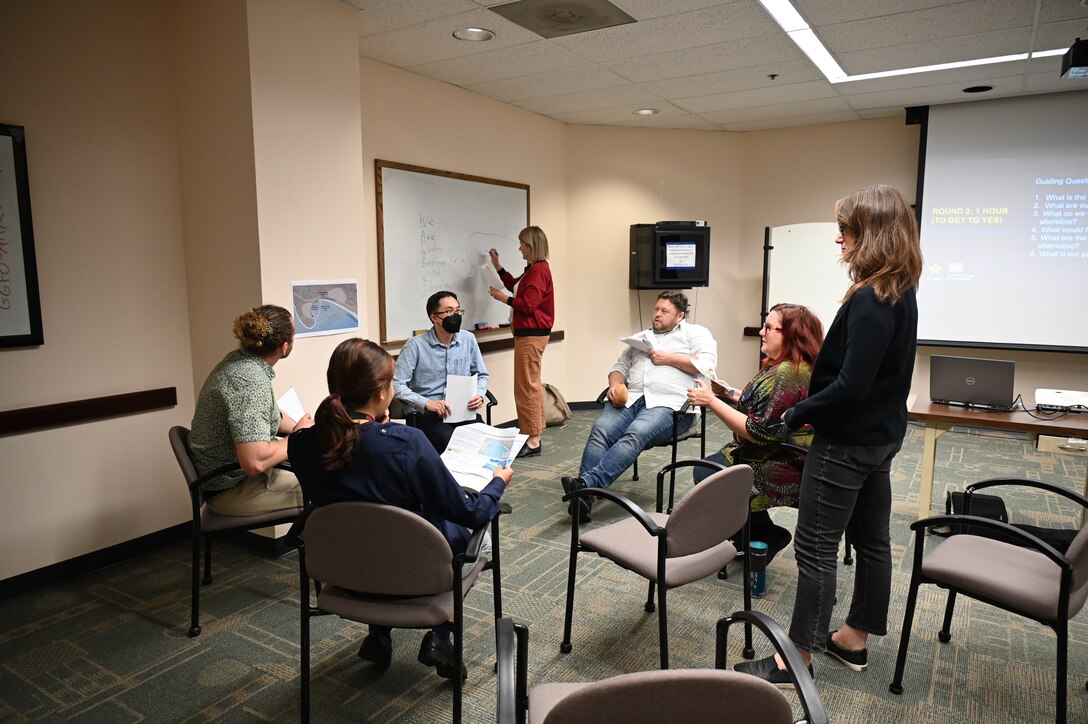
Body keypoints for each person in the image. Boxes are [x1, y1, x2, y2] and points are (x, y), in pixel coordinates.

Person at [734, 184, 922, 687]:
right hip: (880, 438)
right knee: (873, 541)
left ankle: (796, 658)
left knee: (815, 548)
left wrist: (796, 416)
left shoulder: (870, 301)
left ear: (872, 235)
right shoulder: (901, 291)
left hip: (844, 443)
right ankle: (854, 639)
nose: (838, 240)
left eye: (846, 230)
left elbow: (849, 386)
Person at [288, 338, 512, 681]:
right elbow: (470, 513)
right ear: (381, 393)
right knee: (482, 539)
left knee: (374, 534)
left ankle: (378, 634)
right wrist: (497, 483)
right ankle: (441, 635)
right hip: (415, 570)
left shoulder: (301, 444)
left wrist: (377, 426)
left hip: (344, 569)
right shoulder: (405, 443)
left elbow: (355, 480)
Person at [561, 290, 717, 521]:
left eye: (665, 311)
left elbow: (707, 366)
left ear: (680, 316)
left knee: (636, 433)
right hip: (632, 399)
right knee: (600, 430)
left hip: (672, 405)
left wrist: (668, 359)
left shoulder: (696, 334)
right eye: (656, 309)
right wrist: (615, 384)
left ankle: (586, 487)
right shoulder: (641, 338)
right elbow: (619, 367)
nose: (658, 314)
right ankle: (585, 498)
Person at [686, 303, 823, 564]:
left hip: (784, 461)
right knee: (710, 468)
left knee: (707, 473)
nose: (762, 332)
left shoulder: (786, 374)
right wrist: (731, 394)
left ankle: (765, 534)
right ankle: (753, 532)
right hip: (781, 451)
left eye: (769, 327)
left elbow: (757, 432)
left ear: (792, 334)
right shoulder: (793, 366)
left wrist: (711, 402)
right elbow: (768, 410)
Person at [188, 305, 313, 515]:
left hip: (227, 477)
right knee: (329, 482)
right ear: (284, 347)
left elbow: (265, 413)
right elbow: (255, 461)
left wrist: (299, 428)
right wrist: (299, 436)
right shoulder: (251, 382)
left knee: (318, 465)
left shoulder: (240, 361)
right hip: (231, 489)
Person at [393, 290, 489, 453]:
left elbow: (482, 375)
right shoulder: (415, 345)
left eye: (458, 310)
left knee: (482, 440)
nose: (456, 315)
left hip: (462, 411)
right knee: (451, 445)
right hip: (428, 414)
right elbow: (396, 384)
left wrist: (479, 394)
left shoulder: (468, 339)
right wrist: (428, 403)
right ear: (434, 317)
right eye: (449, 311)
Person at [488, 226, 554, 457]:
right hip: (531, 334)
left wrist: (503, 299)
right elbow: (514, 285)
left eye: (522, 244)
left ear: (531, 246)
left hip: (532, 335)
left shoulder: (538, 271)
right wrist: (497, 266)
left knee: (525, 387)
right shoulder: (534, 269)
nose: (519, 248)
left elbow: (528, 305)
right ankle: (534, 433)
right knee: (531, 385)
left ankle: (533, 439)